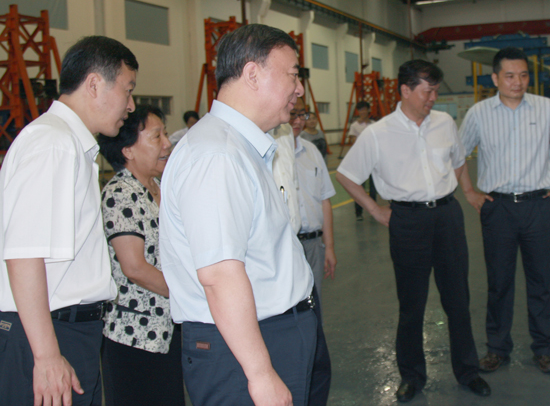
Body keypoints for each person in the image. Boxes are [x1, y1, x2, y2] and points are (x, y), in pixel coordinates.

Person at [159, 23, 316, 406]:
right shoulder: (217, 156)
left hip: (264, 334)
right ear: (252, 74)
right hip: (244, 349)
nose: (299, 89)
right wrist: (260, 374)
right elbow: (219, 276)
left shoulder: (238, 147)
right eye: (293, 75)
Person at [336, 60, 490, 403]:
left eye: (435, 91)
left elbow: (458, 161)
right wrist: (375, 209)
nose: (433, 98)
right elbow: (346, 174)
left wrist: (464, 190)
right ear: (405, 91)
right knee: (412, 305)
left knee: (458, 300)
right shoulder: (378, 133)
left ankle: (468, 371)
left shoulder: (445, 123)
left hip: (447, 217)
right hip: (408, 221)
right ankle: (411, 376)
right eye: (427, 91)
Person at [0, 35, 137, 406]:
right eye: (127, 90)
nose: (130, 105)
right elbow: (23, 255)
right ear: (94, 84)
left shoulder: (69, 144)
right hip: (46, 334)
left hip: (62, 331)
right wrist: (46, 355)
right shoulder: (54, 144)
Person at [458, 47, 550, 375]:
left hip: (538, 206)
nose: (518, 82)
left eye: (524, 75)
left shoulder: (546, 108)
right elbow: (457, 154)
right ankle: (497, 348)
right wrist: (469, 192)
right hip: (497, 208)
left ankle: (544, 348)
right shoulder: (479, 114)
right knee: (499, 282)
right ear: (495, 78)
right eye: (510, 76)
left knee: (541, 281)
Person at [97, 105, 185, 406]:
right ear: (128, 150)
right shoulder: (121, 193)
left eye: (165, 134)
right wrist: (188, 294)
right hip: (135, 336)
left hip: (168, 330)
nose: (167, 144)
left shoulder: (160, 188)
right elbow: (134, 267)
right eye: (157, 136)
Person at [289, 97, 336, 406]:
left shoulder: (311, 151)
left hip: (314, 245)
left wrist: (329, 246)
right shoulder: (269, 153)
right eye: (292, 114)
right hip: (288, 247)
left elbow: (325, 199)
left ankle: (313, 371)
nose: (298, 120)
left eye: (302, 114)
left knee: (313, 310)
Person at [347, 101, 377, 221]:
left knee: (373, 189)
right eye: (360, 110)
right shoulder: (354, 126)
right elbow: (353, 142)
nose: (363, 112)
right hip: (360, 161)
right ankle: (358, 212)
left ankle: (374, 211)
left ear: (368, 110)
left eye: (365, 109)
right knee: (360, 188)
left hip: (373, 160)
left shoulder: (374, 124)